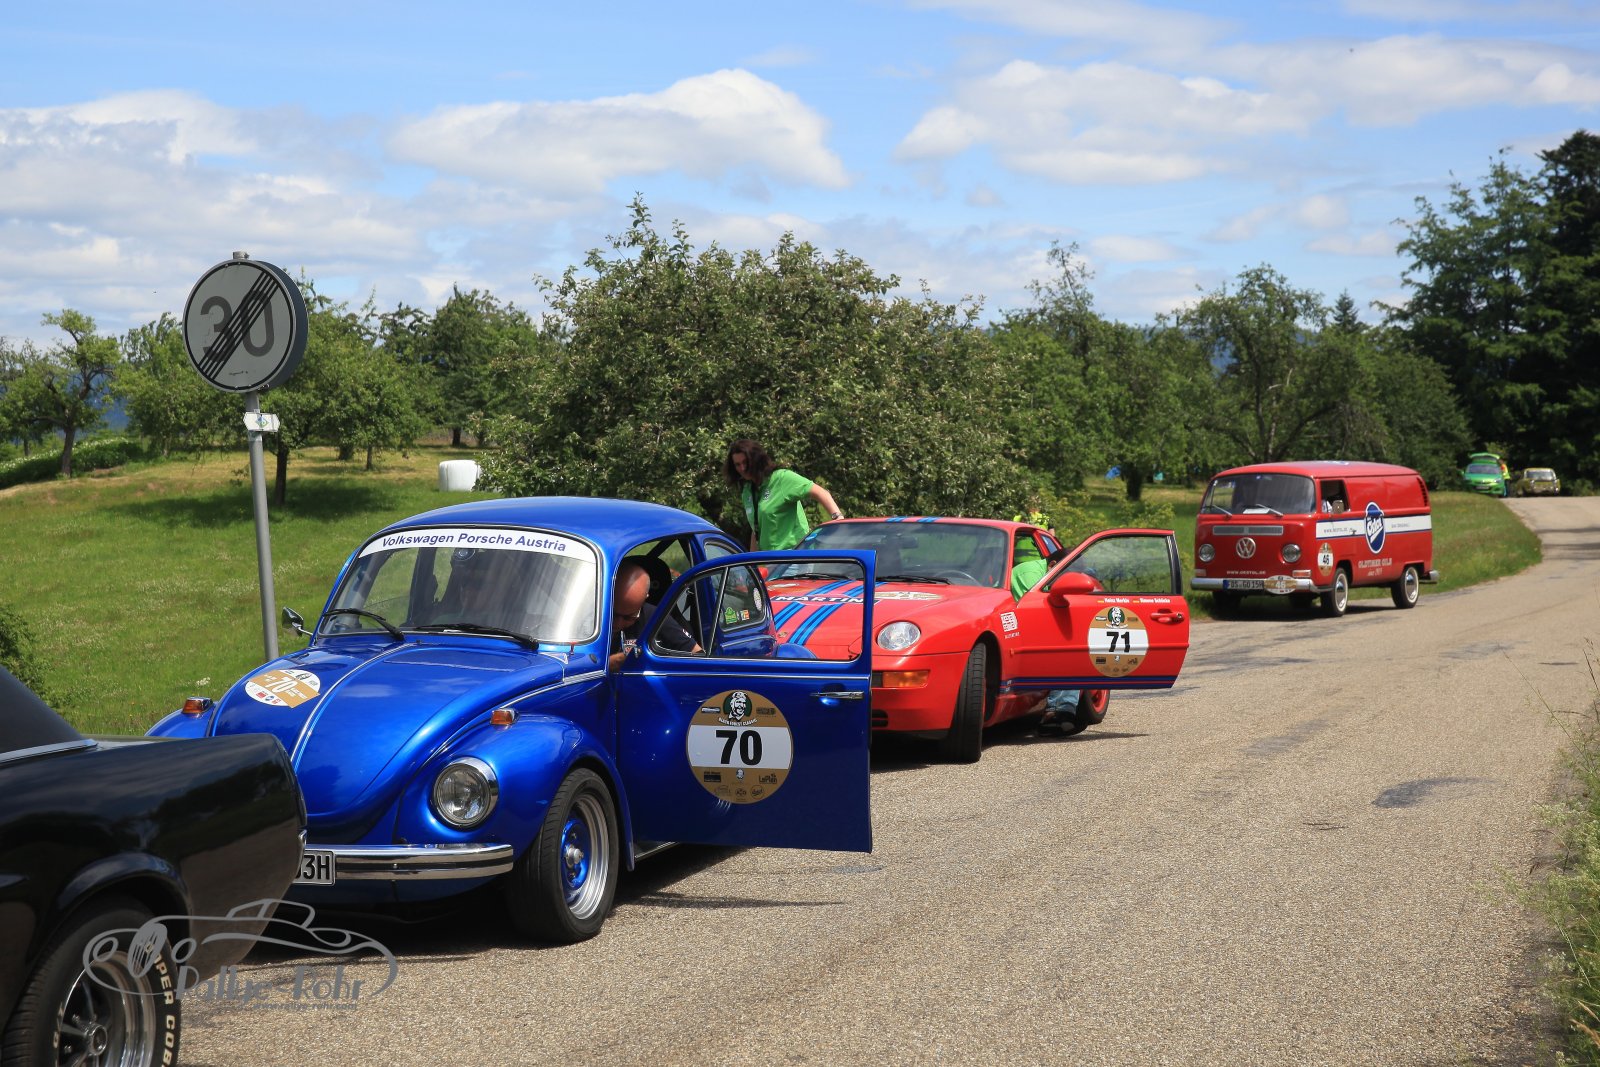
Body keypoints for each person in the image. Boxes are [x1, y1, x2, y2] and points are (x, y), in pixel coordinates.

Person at [1008, 544, 1083, 731]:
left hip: (1028, 627)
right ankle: (1056, 713)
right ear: (1052, 566)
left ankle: (1063, 709)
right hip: (1014, 630)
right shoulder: (1030, 574)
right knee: (1067, 652)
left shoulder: (1048, 574)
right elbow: (1037, 612)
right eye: (1066, 575)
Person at [725, 438, 843, 551]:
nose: (742, 468)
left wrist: (838, 520)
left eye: (745, 462)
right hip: (769, 560)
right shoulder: (748, 490)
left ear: (756, 459)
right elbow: (756, 529)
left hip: (794, 556)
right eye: (737, 464)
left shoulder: (781, 478)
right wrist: (752, 560)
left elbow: (821, 493)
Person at [608, 561, 699, 670]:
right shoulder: (591, 615)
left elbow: (698, 654)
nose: (618, 623)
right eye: (613, 614)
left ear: (644, 599)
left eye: (628, 617)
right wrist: (614, 662)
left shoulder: (655, 617)